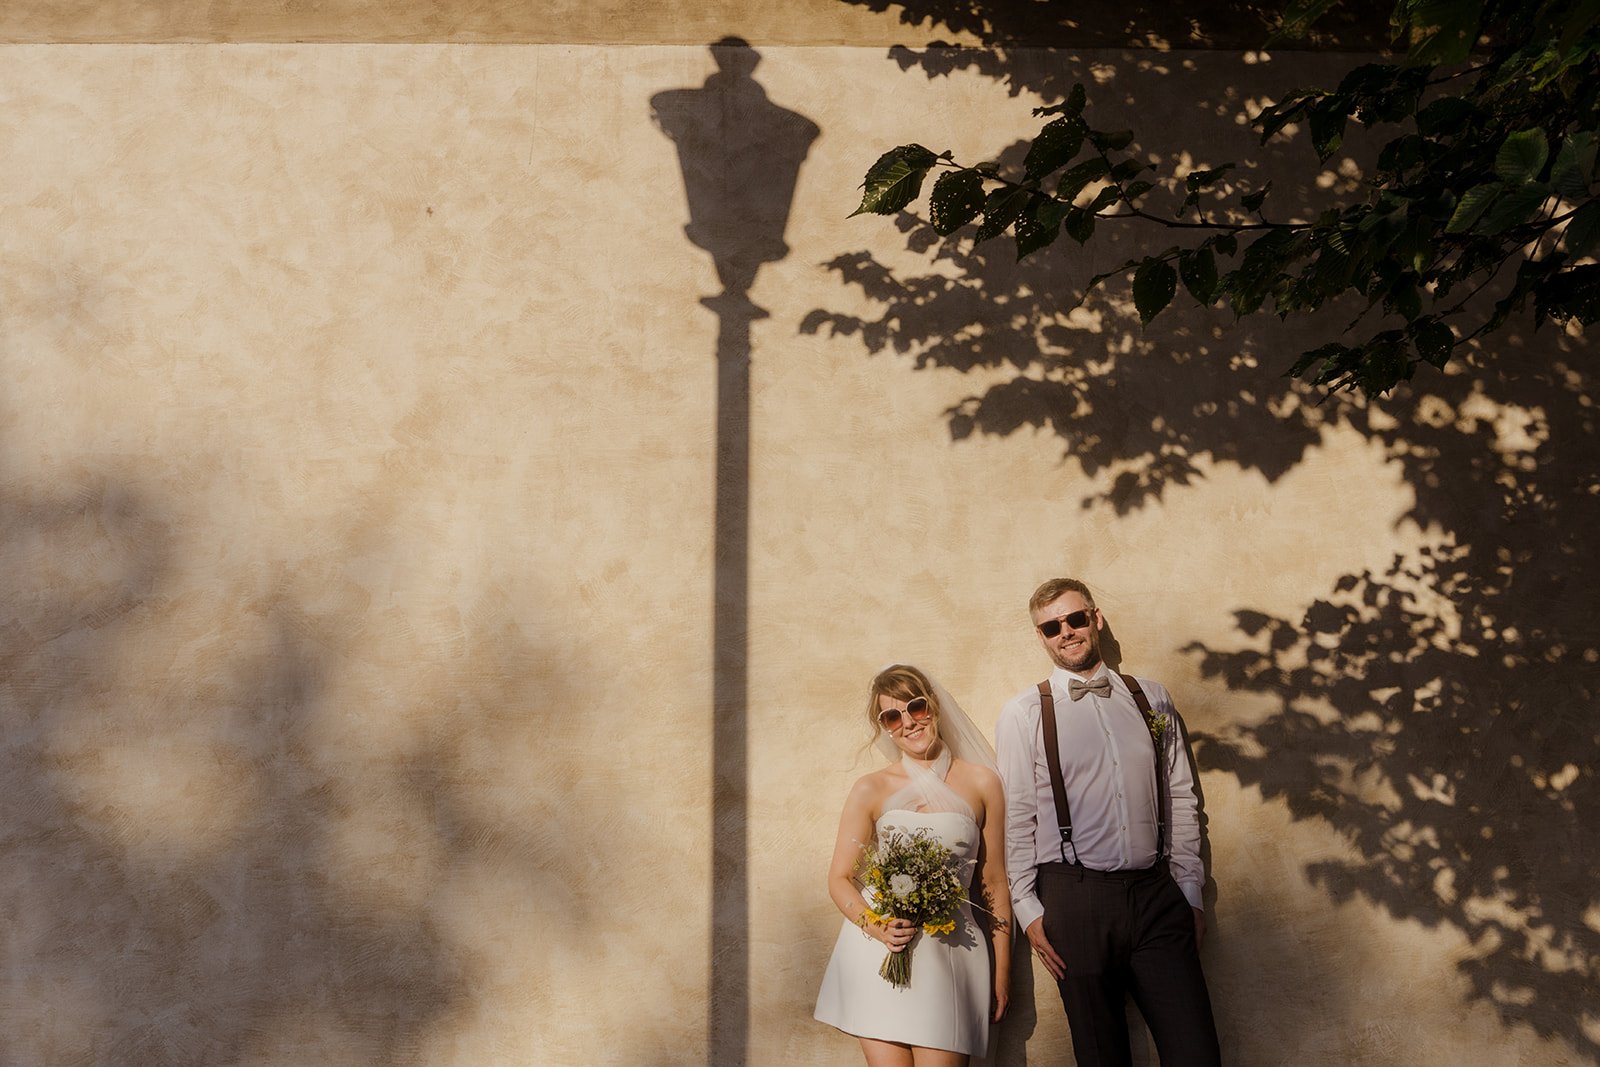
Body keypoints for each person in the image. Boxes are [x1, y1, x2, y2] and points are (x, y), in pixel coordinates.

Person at [995, 579, 1221, 1067]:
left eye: (1075, 619)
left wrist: (1190, 891)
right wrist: (1028, 909)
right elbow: (1018, 818)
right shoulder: (1025, 712)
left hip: (1158, 895)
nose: (1066, 633)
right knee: (1102, 1057)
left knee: (1196, 1053)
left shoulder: (1151, 697)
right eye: (1051, 627)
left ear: (1095, 619)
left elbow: (1181, 797)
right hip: (1075, 900)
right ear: (1041, 636)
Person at [815, 665, 1012, 1066]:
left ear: (933, 707)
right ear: (884, 727)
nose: (908, 722)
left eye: (915, 708)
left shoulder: (982, 782)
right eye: (893, 716)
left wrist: (1002, 968)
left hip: (952, 955)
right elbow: (839, 878)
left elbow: (993, 881)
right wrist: (877, 927)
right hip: (879, 954)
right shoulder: (871, 787)